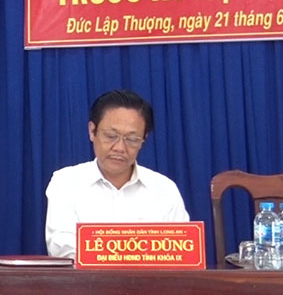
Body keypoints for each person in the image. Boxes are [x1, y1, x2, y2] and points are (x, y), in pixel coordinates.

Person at [44, 90, 189, 258]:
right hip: (86, 283)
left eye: (132, 139)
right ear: (92, 131)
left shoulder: (164, 189)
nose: (120, 147)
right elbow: (62, 248)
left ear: (144, 139)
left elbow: (181, 253)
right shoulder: (66, 182)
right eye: (111, 136)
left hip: (150, 284)